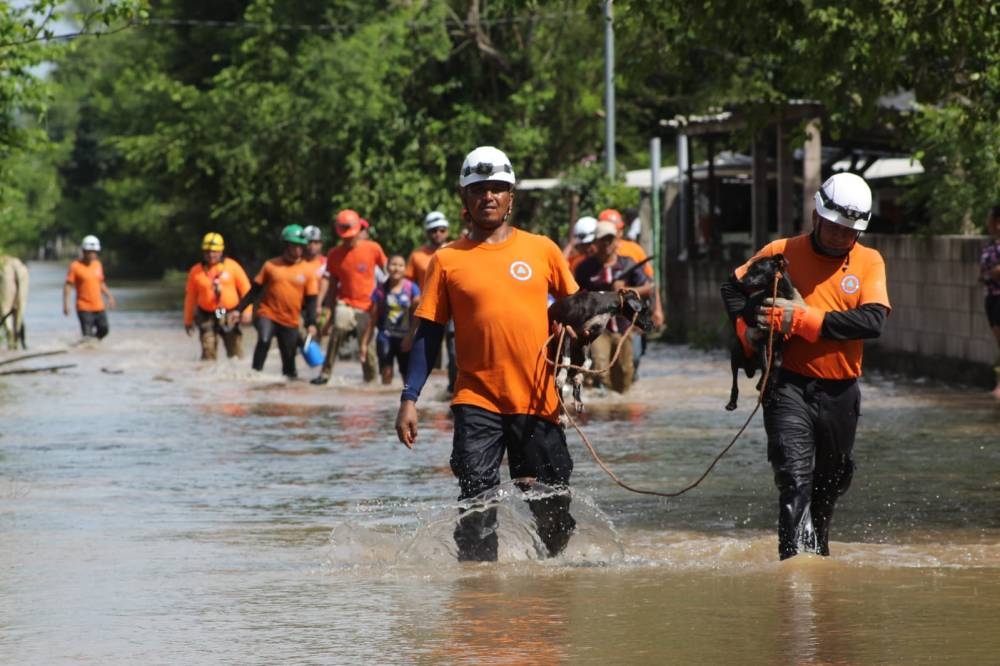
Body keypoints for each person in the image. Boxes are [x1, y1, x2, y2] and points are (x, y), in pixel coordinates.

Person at [395, 145, 579, 562]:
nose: (488, 196)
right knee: (477, 503)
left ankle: (552, 588)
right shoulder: (445, 261)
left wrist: (601, 315)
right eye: (478, 189)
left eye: (497, 188)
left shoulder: (543, 250)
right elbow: (428, 333)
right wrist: (409, 398)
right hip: (476, 399)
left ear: (511, 197)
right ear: (464, 198)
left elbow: (575, 308)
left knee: (553, 508)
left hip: (537, 398)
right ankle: (480, 596)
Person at [720, 172, 891, 560]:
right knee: (794, 480)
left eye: (847, 232)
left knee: (828, 486)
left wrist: (802, 320)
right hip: (787, 385)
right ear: (816, 215)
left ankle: (819, 556)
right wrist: (746, 331)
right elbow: (731, 287)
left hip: (840, 390)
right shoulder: (782, 251)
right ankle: (791, 570)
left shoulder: (868, 262)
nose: (837, 236)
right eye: (831, 227)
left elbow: (873, 321)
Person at [226, 224, 318, 379]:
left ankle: (287, 391)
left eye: (301, 246)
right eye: (294, 246)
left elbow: (311, 300)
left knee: (289, 364)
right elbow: (254, 290)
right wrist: (238, 310)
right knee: (264, 339)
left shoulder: (308, 270)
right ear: (286, 246)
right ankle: (255, 375)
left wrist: (311, 323)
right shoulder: (271, 266)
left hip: (290, 320)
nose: (298, 250)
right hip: (267, 313)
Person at [573, 220, 652, 393]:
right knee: (600, 367)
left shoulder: (628, 264)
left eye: (610, 239)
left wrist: (627, 290)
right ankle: (604, 409)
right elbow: (576, 296)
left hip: (624, 327)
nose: (607, 244)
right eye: (603, 240)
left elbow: (648, 288)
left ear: (616, 241)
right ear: (596, 241)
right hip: (599, 328)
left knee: (625, 372)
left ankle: (621, 408)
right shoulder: (585, 268)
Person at [312, 209, 388, 385]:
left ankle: (370, 379)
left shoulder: (373, 248)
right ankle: (325, 373)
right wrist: (328, 312)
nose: (347, 238)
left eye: (350, 235)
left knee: (367, 347)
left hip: (368, 306)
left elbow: (388, 272)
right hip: (345, 303)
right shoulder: (334, 254)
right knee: (338, 328)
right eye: (344, 236)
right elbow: (331, 286)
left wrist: (385, 302)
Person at [598, 208, 665, 376]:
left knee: (633, 358)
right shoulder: (595, 255)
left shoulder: (633, 250)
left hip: (631, 318)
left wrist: (657, 309)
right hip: (606, 321)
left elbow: (650, 283)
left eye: (618, 230)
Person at [405, 210, 457, 392]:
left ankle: (452, 390)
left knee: (454, 352)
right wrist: (414, 297)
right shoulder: (417, 256)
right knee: (426, 353)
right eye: (434, 230)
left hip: (453, 310)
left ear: (447, 231)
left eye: (442, 230)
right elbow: (407, 284)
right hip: (427, 309)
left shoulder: (457, 250)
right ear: (428, 233)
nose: (438, 234)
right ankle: (423, 392)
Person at [183, 232, 252, 360]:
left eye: (214, 251)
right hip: (206, 316)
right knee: (208, 351)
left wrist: (247, 312)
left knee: (235, 352)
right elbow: (190, 298)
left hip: (230, 314)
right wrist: (187, 321)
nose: (211, 255)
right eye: (207, 251)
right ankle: (208, 377)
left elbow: (246, 290)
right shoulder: (196, 271)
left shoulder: (233, 266)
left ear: (221, 251)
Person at [361, 254, 420, 385]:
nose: (396, 269)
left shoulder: (412, 289)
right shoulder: (380, 290)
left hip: (405, 338)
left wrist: (410, 337)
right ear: (387, 268)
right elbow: (373, 319)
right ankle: (385, 402)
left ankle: (404, 403)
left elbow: (418, 316)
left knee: (407, 378)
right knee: (386, 373)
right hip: (385, 337)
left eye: (400, 266)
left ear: (405, 269)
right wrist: (364, 344)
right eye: (393, 265)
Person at [63, 235, 116, 339]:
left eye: (95, 252)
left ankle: (94, 346)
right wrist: (66, 304)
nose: (93, 254)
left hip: (99, 306)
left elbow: (100, 283)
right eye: (90, 251)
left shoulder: (97, 265)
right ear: (84, 251)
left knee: (104, 329)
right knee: (87, 335)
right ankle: (87, 348)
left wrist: (109, 296)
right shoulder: (75, 266)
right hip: (84, 307)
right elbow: (68, 285)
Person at [979, 204, 1000, 398]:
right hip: (991, 297)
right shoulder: (992, 246)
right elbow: (984, 274)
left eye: (990, 218)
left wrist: (993, 273)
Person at [302, 225, 327, 328]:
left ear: (321, 244)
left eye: (316, 242)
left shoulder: (326, 264)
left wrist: (319, 305)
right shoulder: (297, 263)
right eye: (309, 242)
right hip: (301, 307)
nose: (312, 246)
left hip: (321, 306)